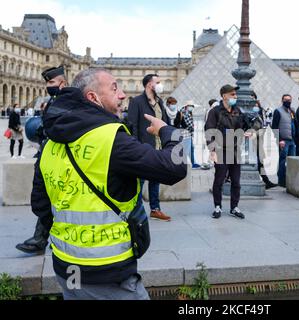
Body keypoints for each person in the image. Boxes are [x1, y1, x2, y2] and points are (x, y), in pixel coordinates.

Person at [31, 68, 186, 300]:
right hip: (107, 272)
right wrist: (167, 131)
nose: (123, 94)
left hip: (66, 268)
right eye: (115, 88)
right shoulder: (110, 139)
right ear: (93, 98)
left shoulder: (50, 144)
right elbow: (175, 166)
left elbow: (40, 206)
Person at [16, 66, 68, 255]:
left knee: (49, 199)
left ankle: (42, 239)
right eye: (47, 82)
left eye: (51, 82)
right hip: (47, 154)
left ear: (62, 83)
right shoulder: (54, 101)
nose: (48, 86)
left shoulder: (67, 102)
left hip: (58, 158)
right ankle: (40, 238)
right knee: (43, 198)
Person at [128, 74, 172, 222]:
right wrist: (134, 147)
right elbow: (132, 125)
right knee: (138, 182)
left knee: (155, 179)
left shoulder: (159, 102)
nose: (161, 84)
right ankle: (136, 212)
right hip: (143, 147)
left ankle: (155, 209)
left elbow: (165, 123)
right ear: (149, 85)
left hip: (159, 147)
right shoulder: (136, 101)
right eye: (158, 82)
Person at [205, 84, 248, 220]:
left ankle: (234, 207)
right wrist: (212, 150)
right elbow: (209, 130)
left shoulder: (237, 110)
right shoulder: (215, 112)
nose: (235, 97)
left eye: (235, 94)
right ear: (224, 96)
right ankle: (217, 206)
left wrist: (248, 131)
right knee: (219, 180)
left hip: (235, 149)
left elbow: (242, 126)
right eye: (232, 94)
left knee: (236, 181)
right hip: (220, 149)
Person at [251, 92, 277, 189]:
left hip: (258, 141)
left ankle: (266, 181)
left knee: (260, 161)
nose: (252, 101)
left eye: (253, 99)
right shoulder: (244, 111)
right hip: (250, 141)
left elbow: (263, 127)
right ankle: (266, 181)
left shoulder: (260, 112)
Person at [272, 94, 296, 188]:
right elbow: (274, 127)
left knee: (292, 161)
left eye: (289, 100)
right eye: (286, 100)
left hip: (292, 140)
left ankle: (289, 180)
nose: (288, 102)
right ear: (282, 100)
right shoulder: (278, 111)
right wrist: (279, 140)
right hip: (284, 141)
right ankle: (281, 181)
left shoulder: (292, 111)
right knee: (282, 161)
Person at [175, 101, 200, 169]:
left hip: (188, 133)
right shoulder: (184, 112)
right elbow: (187, 124)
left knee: (191, 148)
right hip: (185, 134)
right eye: (191, 106)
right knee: (186, 149)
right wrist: (191, 129)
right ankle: (185, 164)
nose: (192, 107)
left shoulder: (187, 112)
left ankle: (193, 163)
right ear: (187, 106)